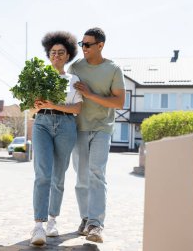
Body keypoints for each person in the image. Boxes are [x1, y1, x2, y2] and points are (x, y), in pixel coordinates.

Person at [68, 27, 126, 243]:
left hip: (103, 127)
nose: (83, 48)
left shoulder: (113, 69)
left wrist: (90, 94)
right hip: (79, 127)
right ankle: (85, 218)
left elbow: (119, 102)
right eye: (81, 44)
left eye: (87, 44)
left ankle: (95, 225)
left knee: (96, 174)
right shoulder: (76, 67)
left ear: (100, 45)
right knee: (82, 177)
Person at [30, 31, 83, 246]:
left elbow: (78, 107)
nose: (57, 55)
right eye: (53, 52)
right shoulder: (39, 77)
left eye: (61, 52)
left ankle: (52, 220)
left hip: (66, 125)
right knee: (43, 174)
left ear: (68, 55)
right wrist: (36, 103)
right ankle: (39, 225)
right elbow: (31, 104)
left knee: (59, 176)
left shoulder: (73, 80)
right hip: (41, 123)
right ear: (48, 54)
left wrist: (54, 104)